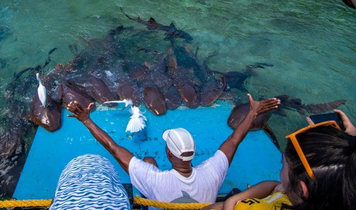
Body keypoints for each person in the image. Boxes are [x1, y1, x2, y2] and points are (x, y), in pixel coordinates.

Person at [67, 94, 280, 205]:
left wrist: (86, 120)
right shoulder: (213, 172)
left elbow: (113, 147)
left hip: (158, 191)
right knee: (149, 163)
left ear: (169, 153)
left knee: (149, 162)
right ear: (193, 153)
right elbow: (234, 140)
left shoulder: (156, 181)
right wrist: (252, 113)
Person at [204, 112, 356, 210]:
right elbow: (275, 187)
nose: (281, 169)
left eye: (283, 166)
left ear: (301, 189)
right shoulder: (305, 195)